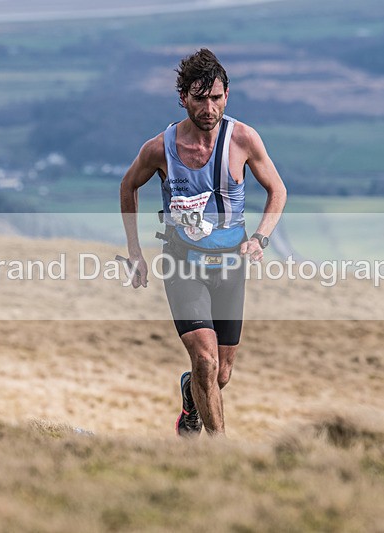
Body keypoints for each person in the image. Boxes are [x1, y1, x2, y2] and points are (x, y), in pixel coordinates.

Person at [120, 48, 287, 437]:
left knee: (221, 373)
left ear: (226, 95)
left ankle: (190, 398)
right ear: (183, 98)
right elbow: (128, 186)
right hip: (183, 266)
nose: (209, 108)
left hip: (231, 266)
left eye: (216, 97)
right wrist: (135, 252)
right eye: (200, 98)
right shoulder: (160, 148)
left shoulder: (243, 139)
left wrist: (261, 238)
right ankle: (219, 452)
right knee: (206, 361)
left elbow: (277, 190)